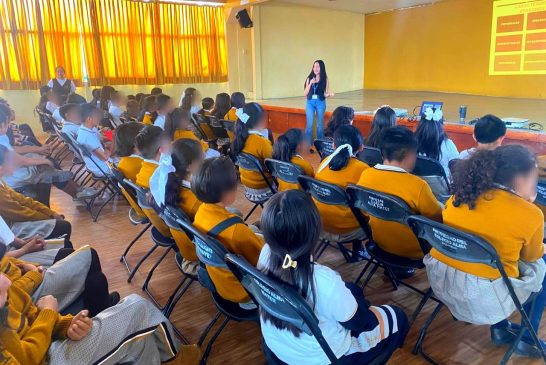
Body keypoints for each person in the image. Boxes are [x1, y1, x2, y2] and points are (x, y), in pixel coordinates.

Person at [258, 190, 408, 365]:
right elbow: (362, 324)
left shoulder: (266, 253)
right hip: (325, 359)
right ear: (314, 232)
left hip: (279, 349)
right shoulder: (323, 281)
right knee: (397, 317)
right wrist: (363, 308)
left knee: (352, 290)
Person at [425, 145, 546, 357]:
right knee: (542, 264)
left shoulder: (458, 197)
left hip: (442, 284)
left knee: (493, 257)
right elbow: (531, 257)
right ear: (519, 179)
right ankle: (527, 339)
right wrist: (527, 205)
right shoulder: (531, 214)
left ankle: (500, 329)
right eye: (533, 178)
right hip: (486, 299)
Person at [0, 245, 201, 365]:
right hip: (44, 358)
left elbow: (29, 313)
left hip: (43, 342)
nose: (6, 281)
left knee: (140, 340)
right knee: (138, 307)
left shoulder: (7, 293)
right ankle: (176, 357)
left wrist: (65, 325)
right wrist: (49, 315)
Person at [357, 126, 442, 261]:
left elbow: (364, 211)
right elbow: (438, 220)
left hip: (380, 242)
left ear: (382, 152)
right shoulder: (418, 185)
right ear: (410, 155)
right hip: (415, 250)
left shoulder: (366, 175)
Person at [192, 156, 264, 308]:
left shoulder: (200, 212)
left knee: (257, 226)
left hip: (221, 284)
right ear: (226, 192)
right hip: (245, 293)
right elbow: (262, 260)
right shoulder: (235, 230)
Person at [0, 105, 96, 204]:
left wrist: (38, 152)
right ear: (2, 125)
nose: (9, 126)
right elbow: (19, 160)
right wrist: (42, 160)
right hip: (15, 178)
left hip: (15, 173)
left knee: (48, 166)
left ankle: (77, 191)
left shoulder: (2, 136)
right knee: (47, 168)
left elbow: (12, 150)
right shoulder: (2, 138)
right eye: (7, 123)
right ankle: (76, 192)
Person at [149, 139, 204, 275]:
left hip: (185, 247)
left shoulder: (164, 186)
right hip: (200, 251)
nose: (204, 162)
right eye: (202, 159)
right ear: (189, 166)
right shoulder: (196, 201)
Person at [315, 125, 368, 259]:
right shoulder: (363, 170)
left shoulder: (324, 162)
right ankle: (361, 250)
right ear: (361, 147)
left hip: (320, 224)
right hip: (347, 231)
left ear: (333, 145)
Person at [0, 145, 72, 244]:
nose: (14, 164)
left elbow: (24, 200)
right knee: (63, 227)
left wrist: (50, 213)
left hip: (14, 222)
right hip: (10, 230)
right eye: (10, 162)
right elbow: (20, 213)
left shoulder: (1, 181)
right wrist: (49, 218)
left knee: (62, 226)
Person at [231, 102, 274, 202]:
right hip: (264, 188)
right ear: (261, 120)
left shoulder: (238, 137)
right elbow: (273, 166)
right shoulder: (262, 142)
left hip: (248, 187)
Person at [415, 107, 458, 177]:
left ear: (420, 123)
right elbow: (456, 169)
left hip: (417, 185)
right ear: (442, 125)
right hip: (441, 187)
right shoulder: (448, 144)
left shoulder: (412, 142)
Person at [303, 60, 334, 146]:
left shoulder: (325, 79)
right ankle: (308, 144)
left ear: (321, 68)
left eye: (317, 66)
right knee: (309, 124)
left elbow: (325, 93)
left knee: (320, 125)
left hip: (320, 102)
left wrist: (329, 94)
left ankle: (320, 143)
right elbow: (305, 93)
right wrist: (310, 83)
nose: (315, 68)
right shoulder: (309, 78)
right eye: (314, 66)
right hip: (310, 102)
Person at [77, 104, 111, 178]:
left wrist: (111, 135)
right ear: (89, 119)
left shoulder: (86, 128)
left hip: (99, 164)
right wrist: (111, 146)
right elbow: (104, 157)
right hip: (104, 169)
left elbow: (101, 139)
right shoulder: (87, 137)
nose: (99, 118)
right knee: (129, 158)